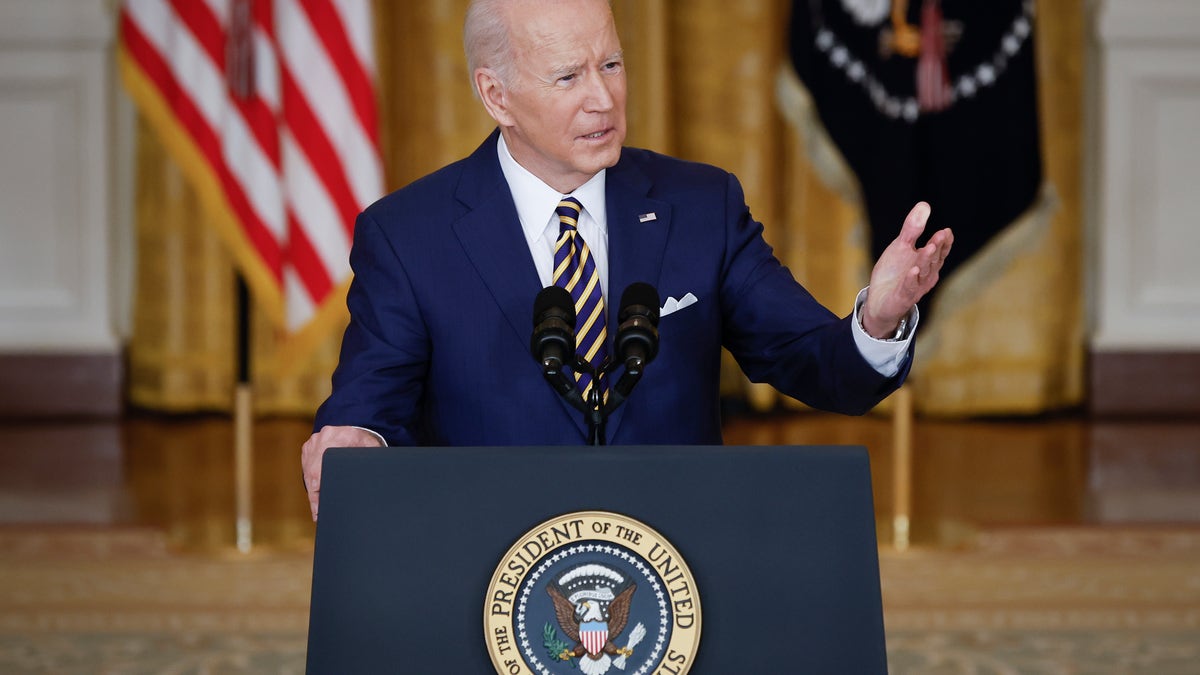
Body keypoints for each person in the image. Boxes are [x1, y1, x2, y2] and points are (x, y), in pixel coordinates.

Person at [301, 0, 954, 521]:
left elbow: (817, 363)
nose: (603, 99)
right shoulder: (409, 236)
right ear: (496, 96)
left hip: (678, 561)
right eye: (568, 76)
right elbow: (367, 402)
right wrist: (355, 441)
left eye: (610, 64)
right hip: (490, 569)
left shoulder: (701, 206)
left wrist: (878, 321)